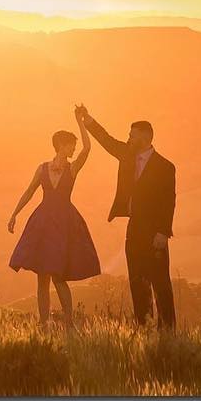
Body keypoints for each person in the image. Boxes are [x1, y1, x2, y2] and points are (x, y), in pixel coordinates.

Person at [75, 103, 176, 330]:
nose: (129, 138)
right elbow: (107, 140)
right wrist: (87, 120)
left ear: (145, 137)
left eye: (132, 135)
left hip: (155, 232)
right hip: (134, 228)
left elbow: (169, 201)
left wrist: (163, 232)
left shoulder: (165, 167)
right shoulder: (127, 155)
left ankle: (168, 330)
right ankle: (145, 327)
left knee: (160, 283)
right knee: (137, 281)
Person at [7, 111, 102, 328]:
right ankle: (44, 323)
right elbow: (29, 191)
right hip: (43, 223)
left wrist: (81, 122)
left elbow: (88, 148)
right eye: (71, 145)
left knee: (59, 277)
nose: (74, 149)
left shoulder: (73, 168)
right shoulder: (42, 169)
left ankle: (69, 325)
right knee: (42, 277)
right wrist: (14, 214)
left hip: (65, 223)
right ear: (61, 145)